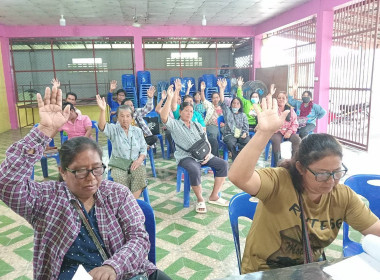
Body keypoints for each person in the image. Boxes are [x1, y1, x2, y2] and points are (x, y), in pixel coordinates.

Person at [0, 85, 171, 280]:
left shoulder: (117, 194)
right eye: (81, 171)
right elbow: (6, 182)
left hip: (123, 271)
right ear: (63, 172)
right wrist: (44, 131)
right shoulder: (46, 199)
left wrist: (113, 267)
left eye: (97, 169)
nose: (91, 178)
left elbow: (139, 239)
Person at [228, 93, 380, 274]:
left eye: (337, 172)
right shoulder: (279, 181)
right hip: (264, 271)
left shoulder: (343, 196)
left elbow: (374, 230)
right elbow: (239, 177)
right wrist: (264, 133)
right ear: (300, 168)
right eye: (322, 174)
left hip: (307, 271)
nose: (331, 181)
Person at [160, 85, 229, 214]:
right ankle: (200, 199)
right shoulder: (175, 124)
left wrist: (208, 154)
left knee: (223, 164)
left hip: (203, 154)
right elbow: (164, 117)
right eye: (186, 110)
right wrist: (169, 98)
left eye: (191, 111)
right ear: (180, 112)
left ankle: (214, 196)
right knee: (194, 168)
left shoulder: (197, 124)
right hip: (186, 157)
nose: (189, 113)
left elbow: (206, 141)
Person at [97, 96, 148, 199]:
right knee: (120, 179)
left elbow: (143, 149)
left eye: (128, 116)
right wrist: (102, 111)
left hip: (135, 163)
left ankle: (130, 203)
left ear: (132, 117)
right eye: (122, 116)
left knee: (140, 173)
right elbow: (102, 126)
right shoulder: (114, 129)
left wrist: (139, 160)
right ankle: (131, 204)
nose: (125, 119)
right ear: (118, 117)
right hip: (118, 165)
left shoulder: (137, 131)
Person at [200, 79, 232, 157]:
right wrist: (202, 90)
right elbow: (203, 99)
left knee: (230, 133)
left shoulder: (223, 106)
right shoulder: (209, 105)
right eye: (214, 98)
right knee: (213, 135)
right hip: (211, 125)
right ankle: (214, 155)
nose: (216, 99)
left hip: (222, 125)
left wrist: (222, 88)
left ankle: (230, 150)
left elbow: (227, 117)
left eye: (217, 97)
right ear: (211, 99)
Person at [270, 91, 301, 166]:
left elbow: (295, 123)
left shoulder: (290, 110)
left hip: (288, 131)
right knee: (276, 140)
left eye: (283, 98)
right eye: (279, 98)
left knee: (297, 139)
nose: (281, 99)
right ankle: (278, 163)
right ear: (276, 99)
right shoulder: (273, 109)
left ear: (286, 100)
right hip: (276, 131)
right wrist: (279, 129)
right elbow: (271, 122)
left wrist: (289, 131)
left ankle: (294, 161)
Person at [219, 91, 249, 160]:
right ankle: (235, 159)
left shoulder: (243, 115)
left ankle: (241, 154)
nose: (235, 105)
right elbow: (222, 103)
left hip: (240, 133)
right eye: (234, 103)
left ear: (240, 105)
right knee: (231, 143)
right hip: (229, 134)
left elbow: (246, 127)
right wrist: (221, 89)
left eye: (237, 103)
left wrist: (245, 133)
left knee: (247, 141)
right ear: (231, 104)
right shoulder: (227, 112)